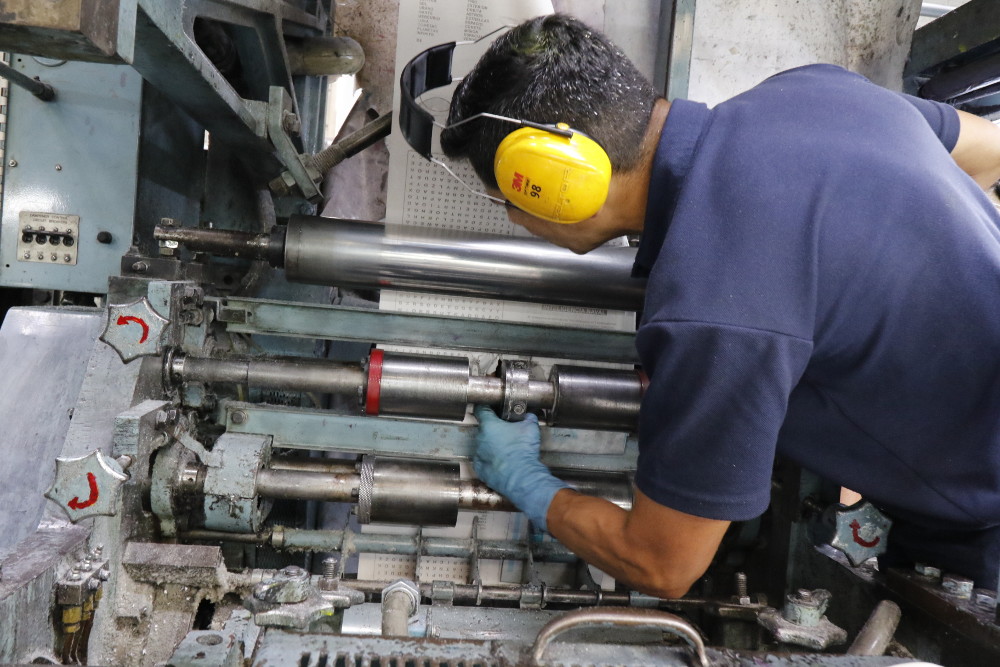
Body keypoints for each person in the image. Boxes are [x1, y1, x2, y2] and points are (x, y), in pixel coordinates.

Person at [439, 13, 1000, 597]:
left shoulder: (713, 309)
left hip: (982, 525)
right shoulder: (815, 88)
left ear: (566, 183)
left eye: (511, 199)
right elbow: (991, 149)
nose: (514, 219)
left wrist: (525, 482)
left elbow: (662, 565)